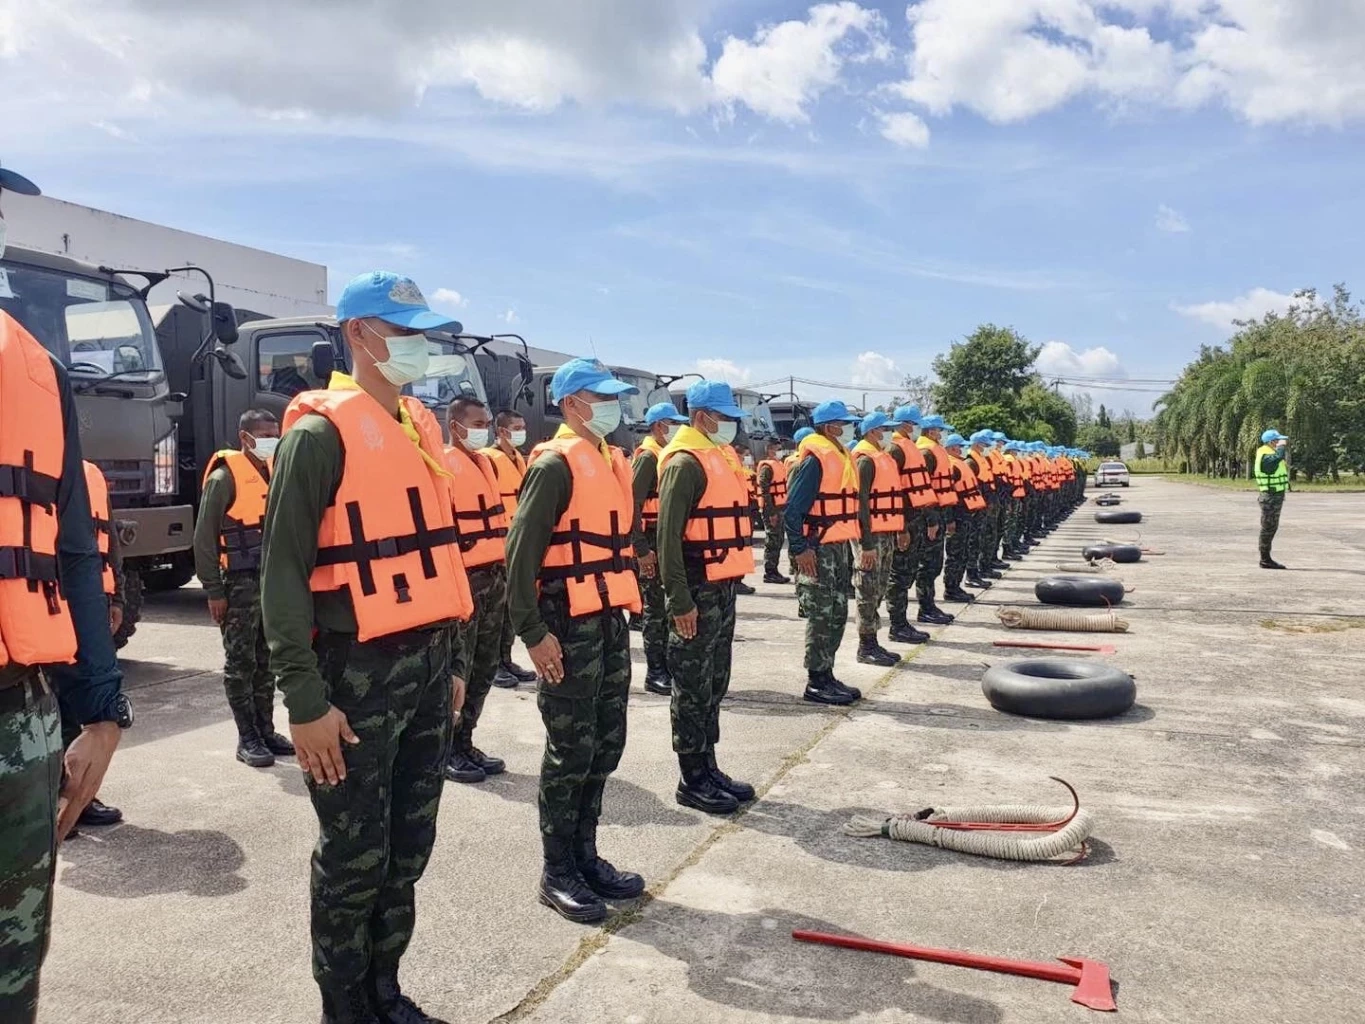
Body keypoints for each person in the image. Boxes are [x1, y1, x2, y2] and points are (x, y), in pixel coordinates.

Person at [260, 271, 473, 1024]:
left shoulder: (418, 428)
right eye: (404, 330)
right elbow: (280, 574)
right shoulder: (318, 435)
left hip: (422, 668)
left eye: (423, 332)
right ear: (359, 333)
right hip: (350, 677)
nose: (420, 345)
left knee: (408, 844)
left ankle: (385, 989)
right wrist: (304, 701)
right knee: (354, 858)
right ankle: (343, 1006)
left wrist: (449, 669)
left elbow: (436, 560)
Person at [0, 309, 127, 1024]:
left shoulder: (39, 370)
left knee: (16, 964)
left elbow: (72, 550)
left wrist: (102, 709)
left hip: (21, 720)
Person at [504, 358, 646, 925]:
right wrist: (533, 633)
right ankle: (556, 870)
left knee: (604, 743)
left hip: (608, 620)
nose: (611, 406)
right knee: (569, 749)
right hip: (566, 625)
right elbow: (520, 558)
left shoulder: (612, 460)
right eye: (599, 396)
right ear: (569, 405)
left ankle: (586, 856)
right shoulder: (555, 465)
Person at [656, 381, 756, 815]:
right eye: (725, 416)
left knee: (714, 680)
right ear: (702, 417)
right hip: (696, 588)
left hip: (722, 587)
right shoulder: (684, 464)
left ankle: (709, 765)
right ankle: (691, 777)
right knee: (692, 685)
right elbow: (667, 541)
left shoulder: (717, 456)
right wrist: (680, 602)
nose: (731, 424)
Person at [194, 409, 295, 769]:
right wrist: (213, 590)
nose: (272, 439)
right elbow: (204, 538)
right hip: (238, 586)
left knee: (266, 661)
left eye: (276, 432)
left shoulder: (274, 472)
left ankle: (266, 729)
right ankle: (246, 736)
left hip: (270, 584)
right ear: (245, 437)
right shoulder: (224, 478)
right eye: (265, 433)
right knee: (241, 663)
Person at [443, 397, 513, 784]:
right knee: (460, 668)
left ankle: (465, 739)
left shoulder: (486, 462)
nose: (484, 428)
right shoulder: (443, 465)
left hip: (495, 576)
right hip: (465, 581)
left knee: (485, 665)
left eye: (486, 421)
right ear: (456, 426)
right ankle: (448, 748)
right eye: (477, 422)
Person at [60, 461, 127, 830]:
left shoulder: (91, 475)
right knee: (53, 704)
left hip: (92, 602)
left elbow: (110, 542)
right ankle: (54, 797)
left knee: (85, 706)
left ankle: (81, 796)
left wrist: (115, 599)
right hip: (47, 604)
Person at [784, 401, 864, 706]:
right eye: (843, 423)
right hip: (818, 548)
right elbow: (793, 510)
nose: (847, 428)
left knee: (837, 612)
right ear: (829, 426)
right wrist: (800, 549)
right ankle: (815, 681)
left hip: (838, 546)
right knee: (821, 616)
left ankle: (827, 673)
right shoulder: (815, 460)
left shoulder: (839, 455)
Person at [631, 401, 689, 696]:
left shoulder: (669, 454)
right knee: (654, 609)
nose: (678, 428)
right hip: (650, 542)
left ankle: (667, 665)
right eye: (672, 423)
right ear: (657, 427)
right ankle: (655, 671)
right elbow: (633, 505)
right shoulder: (648, 458)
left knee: (666, 607)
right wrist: (641, 549)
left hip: (664, 540)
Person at [482, 410, 537, 689]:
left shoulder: (518, 459)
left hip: (516, 545)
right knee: (494, 614)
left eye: (523, 426)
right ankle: (493, 666)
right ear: (502, 432)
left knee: (508, 612)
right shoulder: (489, 461)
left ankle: (505, 659)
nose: (521, 432)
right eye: (516, 427)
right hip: (498, 545)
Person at [851, 412, 905, 667]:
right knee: (867, 588)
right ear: (873, 431)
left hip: (885, 533)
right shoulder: (865, 460)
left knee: (879, 586)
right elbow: (860, 503)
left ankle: (873, 639)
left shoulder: (882, 456)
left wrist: (899, 529)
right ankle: (865, 645)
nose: (890, 434)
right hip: (870, 536)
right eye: (885, 429)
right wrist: (867, 544)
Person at [883, 406, 936, 646]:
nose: (917, 429)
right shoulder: (896, 450)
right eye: (915, 425)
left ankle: (902, 622)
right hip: (903, 520)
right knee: (900, 574)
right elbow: (895, 490)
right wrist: (901, 527)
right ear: (906, 425)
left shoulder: (909, 447)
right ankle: (897, 624)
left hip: (915, 518)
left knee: (908, 572)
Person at [913, 415, 958, 624]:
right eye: (940, 431)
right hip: (929, 517)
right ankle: (925, 607)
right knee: (927, 564)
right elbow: (923, 490)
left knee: (934, 564)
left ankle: (930, 605)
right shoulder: (926, 453)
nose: (942, 435)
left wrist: (946, 518)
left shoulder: (934, 450)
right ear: (931, 431)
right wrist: (931, 520)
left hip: (939, 513)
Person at [940, 434, 989, 603]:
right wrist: (949, 520)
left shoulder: (959, 463)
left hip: (965, 515)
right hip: (957, 515)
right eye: (957, 447)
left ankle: (956, 586)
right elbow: (946, 495)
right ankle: (950, 589)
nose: (960, 449)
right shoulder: (951, 466)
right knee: (954, 554)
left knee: (962, 553)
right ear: (951, 448)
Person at [965, 430, 1003, 586]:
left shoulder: (982, 459)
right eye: (984, 445)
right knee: (975, 540)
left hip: (987, 504)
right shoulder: (971, 462)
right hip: (977, 507)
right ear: (976, 444)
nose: (987, 447)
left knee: (987, 535)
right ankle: (972, 574)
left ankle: (984, 566)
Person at [755, 437, 791, 584]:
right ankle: (770, 572)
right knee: (773, 540)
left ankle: (774, 570)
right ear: (770, 450)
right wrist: (771, 513)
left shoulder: (778, 465)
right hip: (772, 509)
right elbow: (765, 491)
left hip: (781, 507)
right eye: (777, 449)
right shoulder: (766, 468)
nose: (780, 452)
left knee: (779, 539)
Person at [1255, 429, 1290, 569]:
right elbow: (1277, 459)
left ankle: (1266, 558)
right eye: (1278, 440)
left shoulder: (1268, 453)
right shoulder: (1265, 455)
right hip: (1270, 497)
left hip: (1275, 496)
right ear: (1271, 442)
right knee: (1268, 528)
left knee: (1271, 527)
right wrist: (1281, 447)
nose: (1280, 443)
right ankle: (1265, 559)